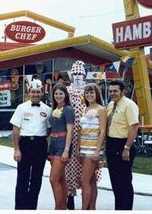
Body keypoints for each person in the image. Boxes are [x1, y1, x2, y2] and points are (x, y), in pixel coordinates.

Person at [10, 79, 52, 210]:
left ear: (42, 93)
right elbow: (16, 129)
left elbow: (49, 128)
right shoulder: (21, 108)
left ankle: (31, 208)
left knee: (36, 179)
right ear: (29, 92)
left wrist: (41, 140)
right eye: (33, 92)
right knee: (22, 178)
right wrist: (16, 149)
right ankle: (20, 208)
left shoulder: (47, 109)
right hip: (25, 144)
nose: (35, 94)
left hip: (40, 145)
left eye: (38, 92)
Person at [106, 80, 139, 210]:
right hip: (111, 145)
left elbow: (134, 127)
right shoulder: (110, 105)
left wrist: (127, 148)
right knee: (115, 182)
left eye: (115, 91)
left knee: (124, 182)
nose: (112, 93)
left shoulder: (129, 105)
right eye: (110, 91)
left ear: (123, 91)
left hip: (123, 145)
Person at [78, 83, 107, 210]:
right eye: (87, 92)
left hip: (93, 150)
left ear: (97, 94)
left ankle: (84, 209)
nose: (89, 95)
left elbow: (103, 131)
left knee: (84, 181)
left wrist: (97, 151)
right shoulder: (84, 109)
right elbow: (81, 130)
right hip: (83, 149)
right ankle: (92, 208)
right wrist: (78, 148)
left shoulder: (101, 109)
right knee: (91, 181)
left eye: (92, 92)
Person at [47, 83, 75, 209]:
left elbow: (70, 131)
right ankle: (63, 207)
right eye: (56, 93)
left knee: (53, 179)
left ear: (65, 95)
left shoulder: (68, 109)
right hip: (52, 145)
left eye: (61, 93)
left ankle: (58, 208)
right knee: (60, 178)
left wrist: (66, 150)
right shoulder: (54, 109)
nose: (58, 96)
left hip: (62, 146)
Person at [65, 60, 87, 209]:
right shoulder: (67, 90)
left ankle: (88, 202)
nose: (78, 76)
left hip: (86, 134)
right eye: (76, 74)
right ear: (72, 75)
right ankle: (70, 196)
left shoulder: (90, 90)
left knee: (85, 165)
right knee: (69, 166)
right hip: (69, 134)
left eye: (80, 74)